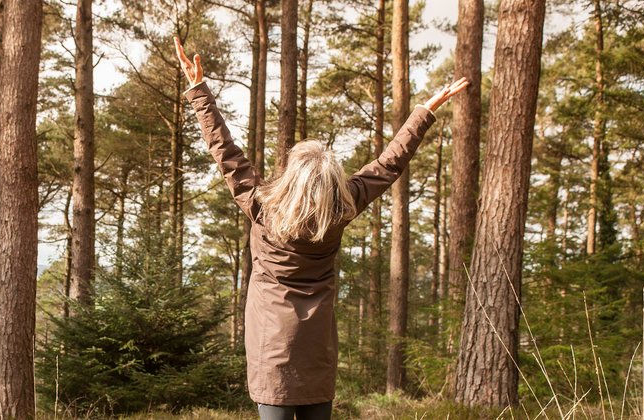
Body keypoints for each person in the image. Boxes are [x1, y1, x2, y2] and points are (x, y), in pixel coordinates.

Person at [174, 38, 469, 420]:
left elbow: (225, 152)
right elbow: (388, 164)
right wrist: (423, 113)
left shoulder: (262, 206)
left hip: (271, 349)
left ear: (292, 175)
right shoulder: (342, 207)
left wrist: (199, 91)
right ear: (330, 180)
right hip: (316, 353)